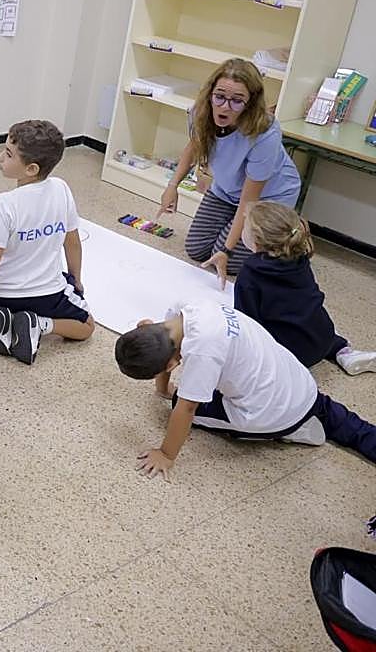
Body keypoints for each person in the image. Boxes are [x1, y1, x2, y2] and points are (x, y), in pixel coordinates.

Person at [116, 300, 376, 480]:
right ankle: (308, 416)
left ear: (172, 363)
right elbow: (166, 354)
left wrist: (165, 454)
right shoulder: (188, 308)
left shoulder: (203, 352)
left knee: (179, 406)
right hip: (300, 384)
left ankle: (295, 428)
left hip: (270, 412)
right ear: (145, 324)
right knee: (354, 428)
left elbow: (187, 407)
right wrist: (162, 388)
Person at [157, 58, 301, 285]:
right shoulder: (200, 112)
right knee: (196, 249)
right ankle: (232, 235)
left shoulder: (265, 133)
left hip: (267, 198)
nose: (224, 106)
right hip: (227, 189)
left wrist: (227, 249)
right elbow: (194, 146)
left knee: (226, 259)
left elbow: (249, 200)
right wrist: (172, 186)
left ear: (250, 104)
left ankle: (283, 237)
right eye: (220, 96)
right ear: (211, 93)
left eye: (237, 101)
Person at [0, 120, 94, 365]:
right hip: (46, 295)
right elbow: (72, 241)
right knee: (86, 326)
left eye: (8, 154)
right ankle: (41, 324)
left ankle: (2, 317)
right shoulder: (61, 189)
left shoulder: (4, 203)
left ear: (30, 169)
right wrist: (76, 279)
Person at [235, 201, 376, 374]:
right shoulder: (300, 259)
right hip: (324, 337)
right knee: (307, 315)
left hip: (291, 354)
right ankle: (344, 352)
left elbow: (246, 320)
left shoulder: (250, 272)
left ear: (256, 239)